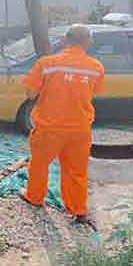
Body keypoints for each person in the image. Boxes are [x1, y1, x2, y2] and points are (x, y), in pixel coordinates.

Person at [20, 25, 104, 225]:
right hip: (79, 130)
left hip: (49, 128)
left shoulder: (46, 64)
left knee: (39, 165)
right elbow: (93, 93)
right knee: (76, 171)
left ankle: (35, 197)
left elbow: (30, 93)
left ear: (65, 40)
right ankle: (78, 210)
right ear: (88, 42)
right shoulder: (96, 67)